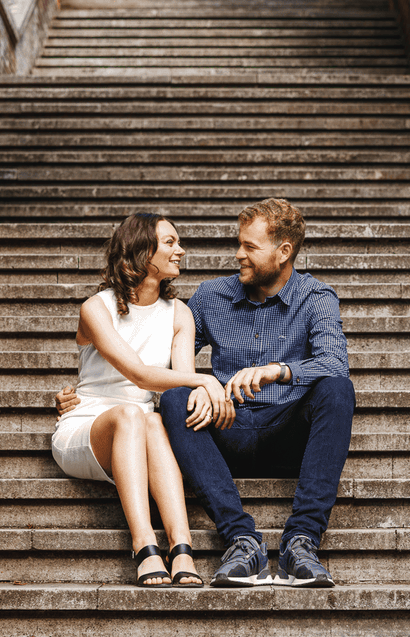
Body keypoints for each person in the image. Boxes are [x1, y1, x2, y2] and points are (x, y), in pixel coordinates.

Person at [57, 199, 354, 589]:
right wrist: (201, 384)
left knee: (336, 388)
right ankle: (241, 540)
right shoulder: (210, 298)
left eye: (250, 247)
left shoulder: (316, 297)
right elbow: (166, 366)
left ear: (284, 253)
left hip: (287, 432)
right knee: (178, 397)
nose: (238, 254)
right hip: (227, 427)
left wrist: (279, 371)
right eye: (239, 243)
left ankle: (302, 542)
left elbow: (335, 362)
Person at [50, 212, 231, 587]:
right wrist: (207, 380)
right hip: (89, 425)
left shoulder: (179, 313)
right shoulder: (95, 308)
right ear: (140, 249)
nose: (180, 250)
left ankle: (182, 547)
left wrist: (199, 390)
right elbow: (139, 374)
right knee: (133, 415)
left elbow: (176, 386)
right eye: (170, 242)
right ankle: (144, 544)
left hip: (144, 429)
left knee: (149, 418)